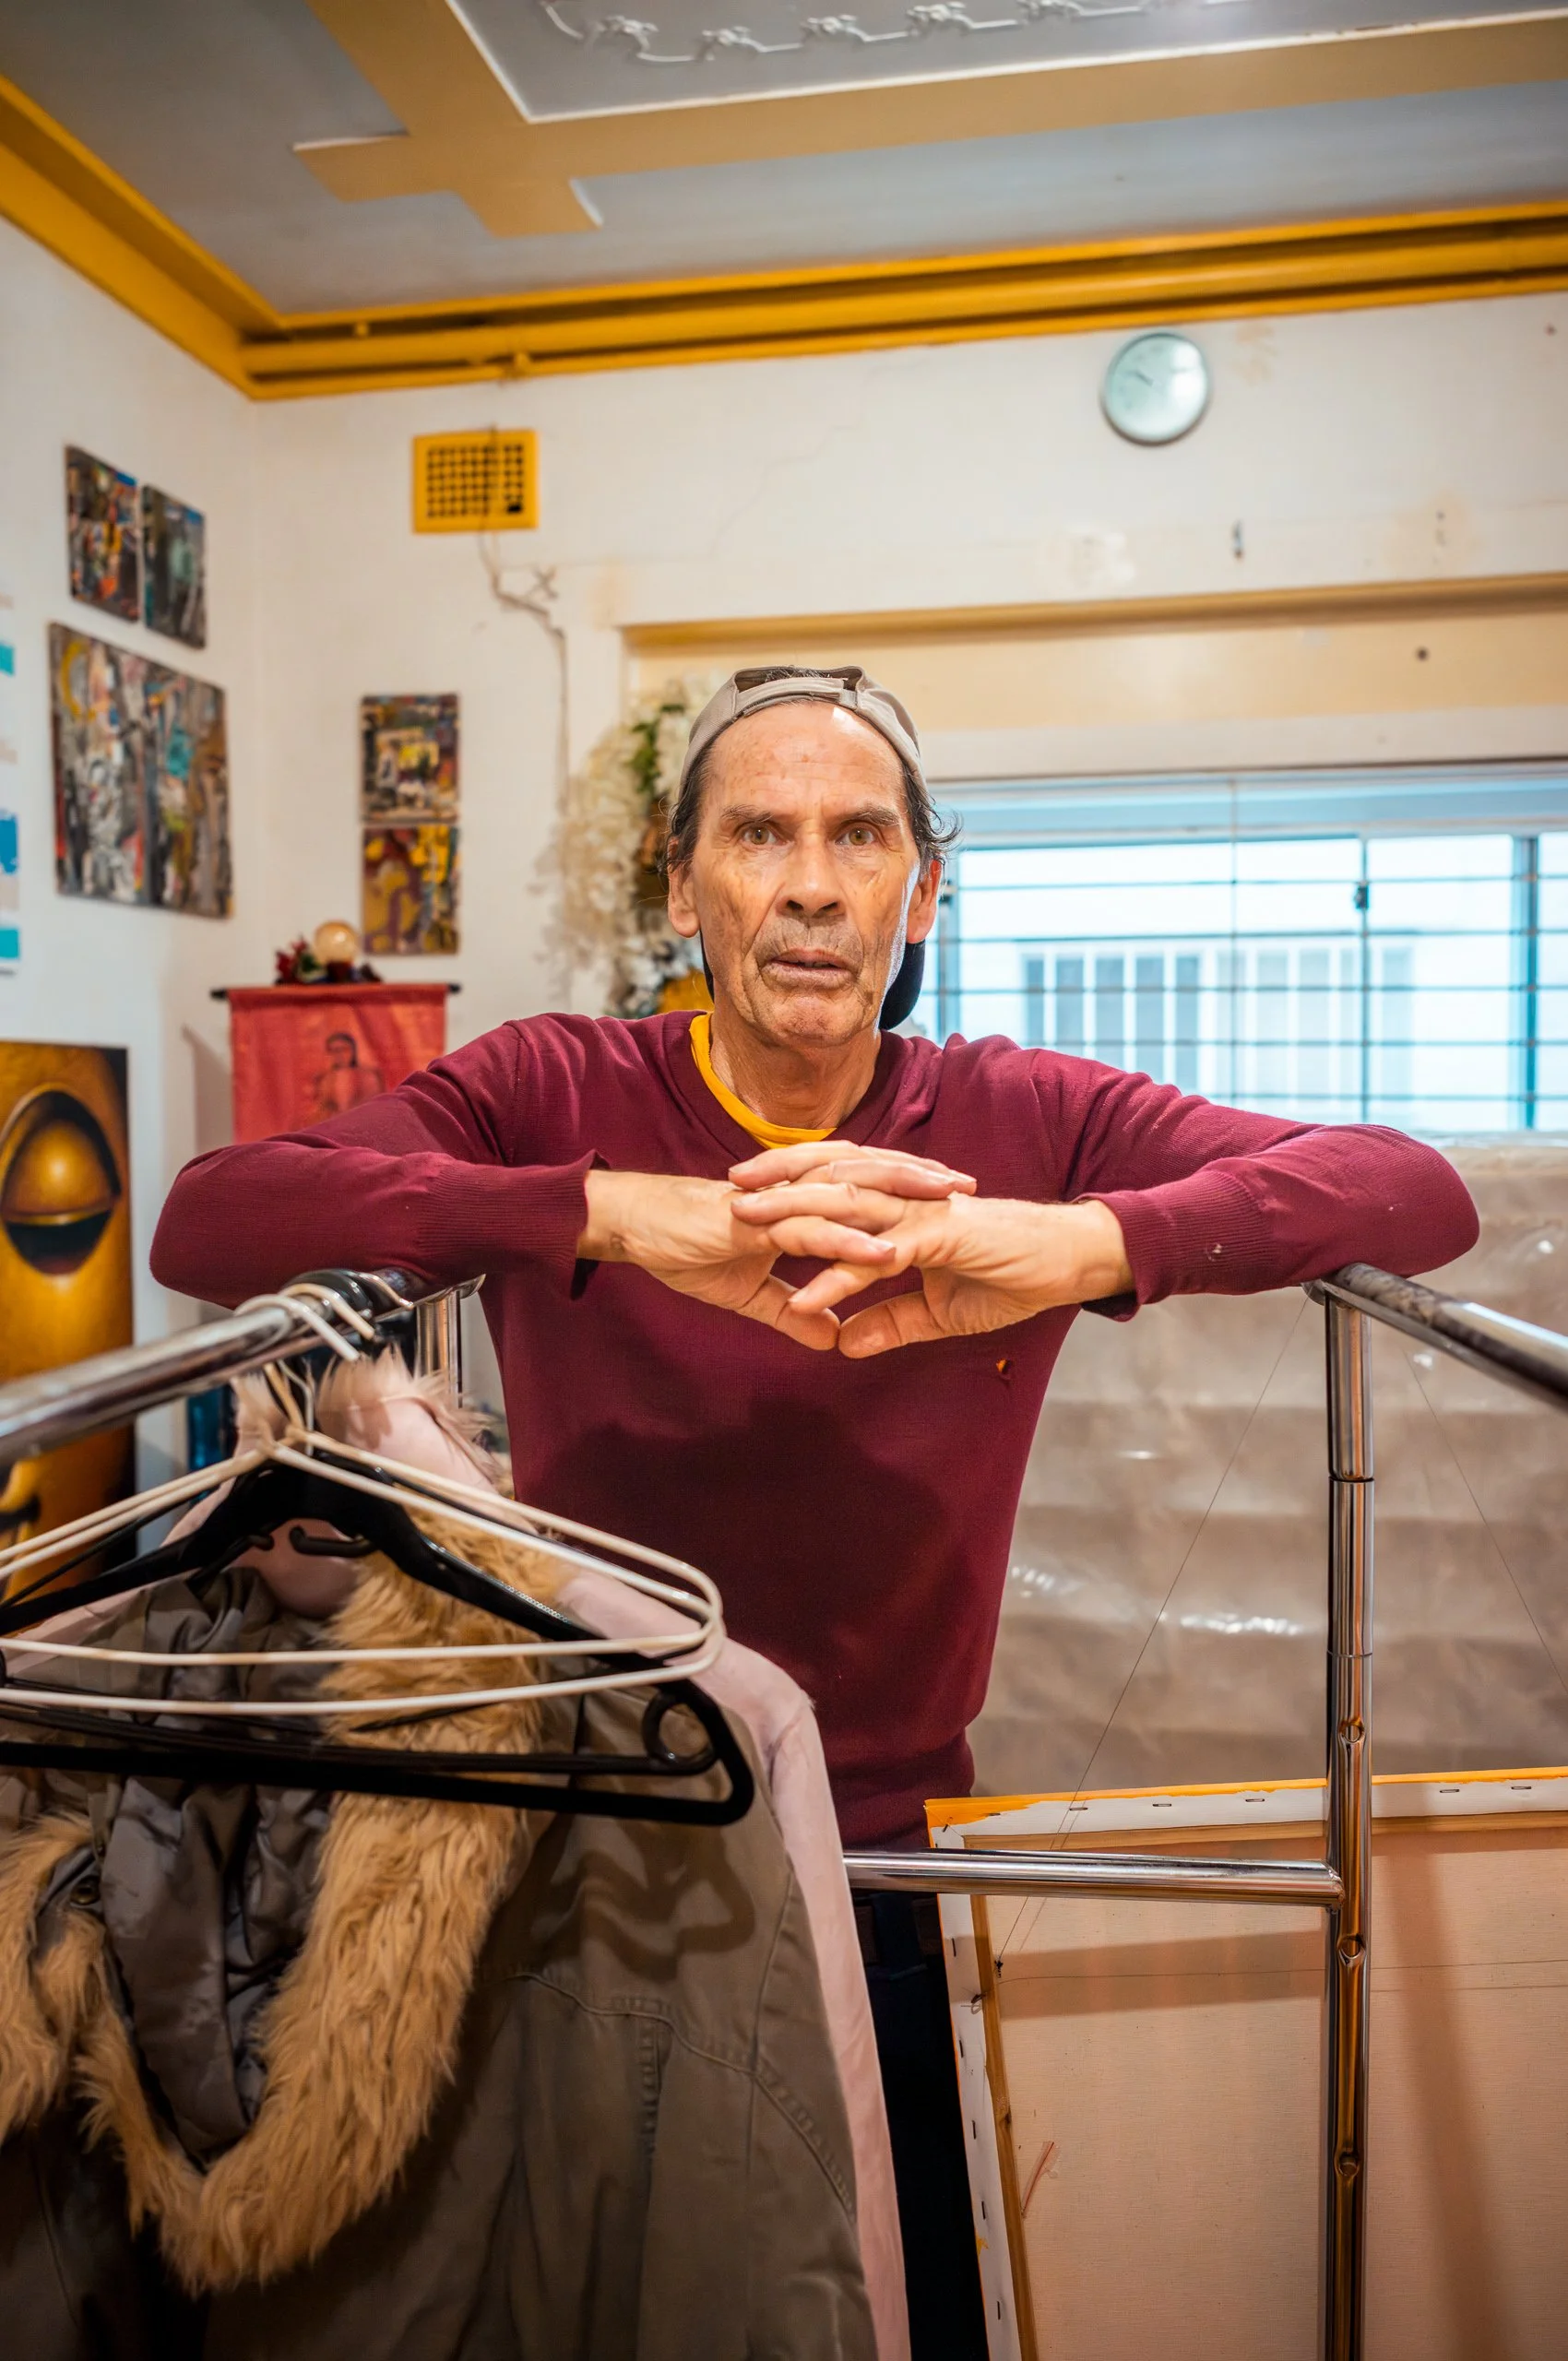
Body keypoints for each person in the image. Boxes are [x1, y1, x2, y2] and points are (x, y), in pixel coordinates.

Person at [151, 664, 1478, 2355]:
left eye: (861, 837)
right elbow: (216, 1218)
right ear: (684, 879)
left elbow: (1407, 1190)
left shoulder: (1029, 1118)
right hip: (598, 1834)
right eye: (759, 835)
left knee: (889, 2283)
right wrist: (621, 1217)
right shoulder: (562, 1087)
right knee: (598, 2294)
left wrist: (1069, 1247)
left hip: (894, 1864)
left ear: (925, 887)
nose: (810, 884)